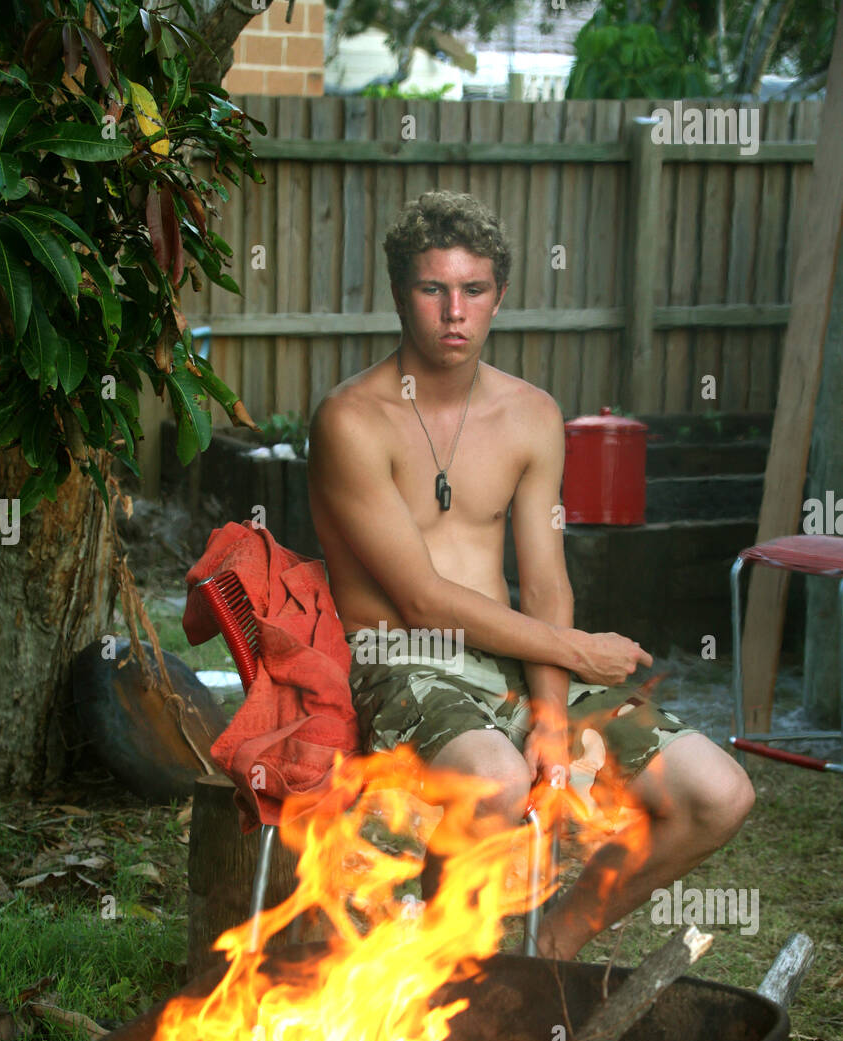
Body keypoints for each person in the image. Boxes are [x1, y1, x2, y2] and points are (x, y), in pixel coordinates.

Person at [306, 190, 754, 960]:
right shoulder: (351, 419)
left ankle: (553, 945)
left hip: (518, 657)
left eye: (473, 290)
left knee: (719, 793)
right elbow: (419, 599)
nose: (455, 312)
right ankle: (455, 973)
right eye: (432, 289)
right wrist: (578, 651)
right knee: (498, 779)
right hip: (406, 660)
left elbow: (545, 584)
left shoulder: (531, 416)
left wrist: (551, 716)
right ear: (398, 294)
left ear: (500, 297)